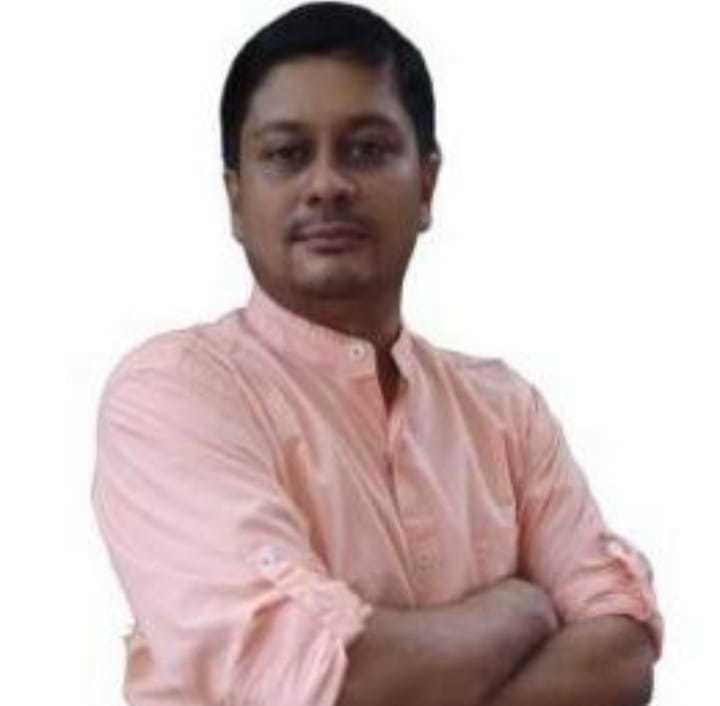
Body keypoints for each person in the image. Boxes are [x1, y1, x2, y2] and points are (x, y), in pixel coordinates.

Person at [91, 3, 663, 705]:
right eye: (287, 154)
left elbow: (622, 651)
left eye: (366, 149)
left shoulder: (505, 413)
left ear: (427, 185)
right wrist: (516, 610)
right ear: (236, 200)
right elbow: (315, 680)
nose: (327, 184)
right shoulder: (174, 396)